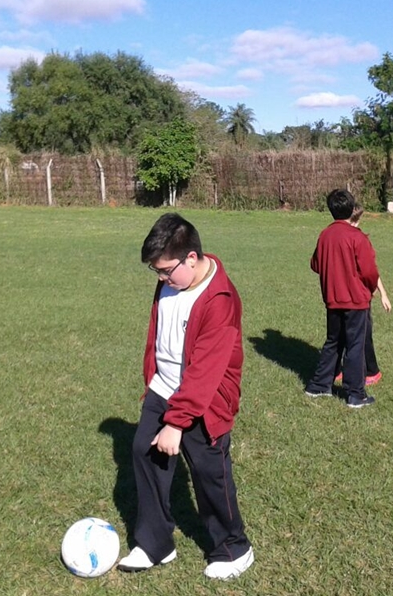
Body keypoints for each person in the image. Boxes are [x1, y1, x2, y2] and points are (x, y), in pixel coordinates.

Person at [117, 212, 254, 580]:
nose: (161, 279)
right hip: (164, 387)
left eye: (165, 271)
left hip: (205, 399)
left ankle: (234, 547)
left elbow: (206, 370)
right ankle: (155, 544)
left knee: (209, 472)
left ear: (191, 258)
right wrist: (155, 382)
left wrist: (176, 424)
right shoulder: (171, 282)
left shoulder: (220, 299)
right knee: (144, 451)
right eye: (156, 271)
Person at [306, 189, 380, 408]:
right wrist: (371, 288)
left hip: (332, 298)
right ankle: (355, 394)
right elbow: (369, 271)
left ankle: (319, 385)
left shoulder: (325, 235)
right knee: (355, 345)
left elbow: (315, 264)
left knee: (333, 342)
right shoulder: (357, 237)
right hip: (355, 300)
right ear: (352, 209)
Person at [334, 204, 391, 387]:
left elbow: (371, 271)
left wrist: (382, 293)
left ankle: (372, 371)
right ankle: (337, 369)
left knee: (363, 335)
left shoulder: (359, 240)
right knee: (340, 334)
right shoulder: (343, 238)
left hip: (359, 297)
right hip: (343, 294)